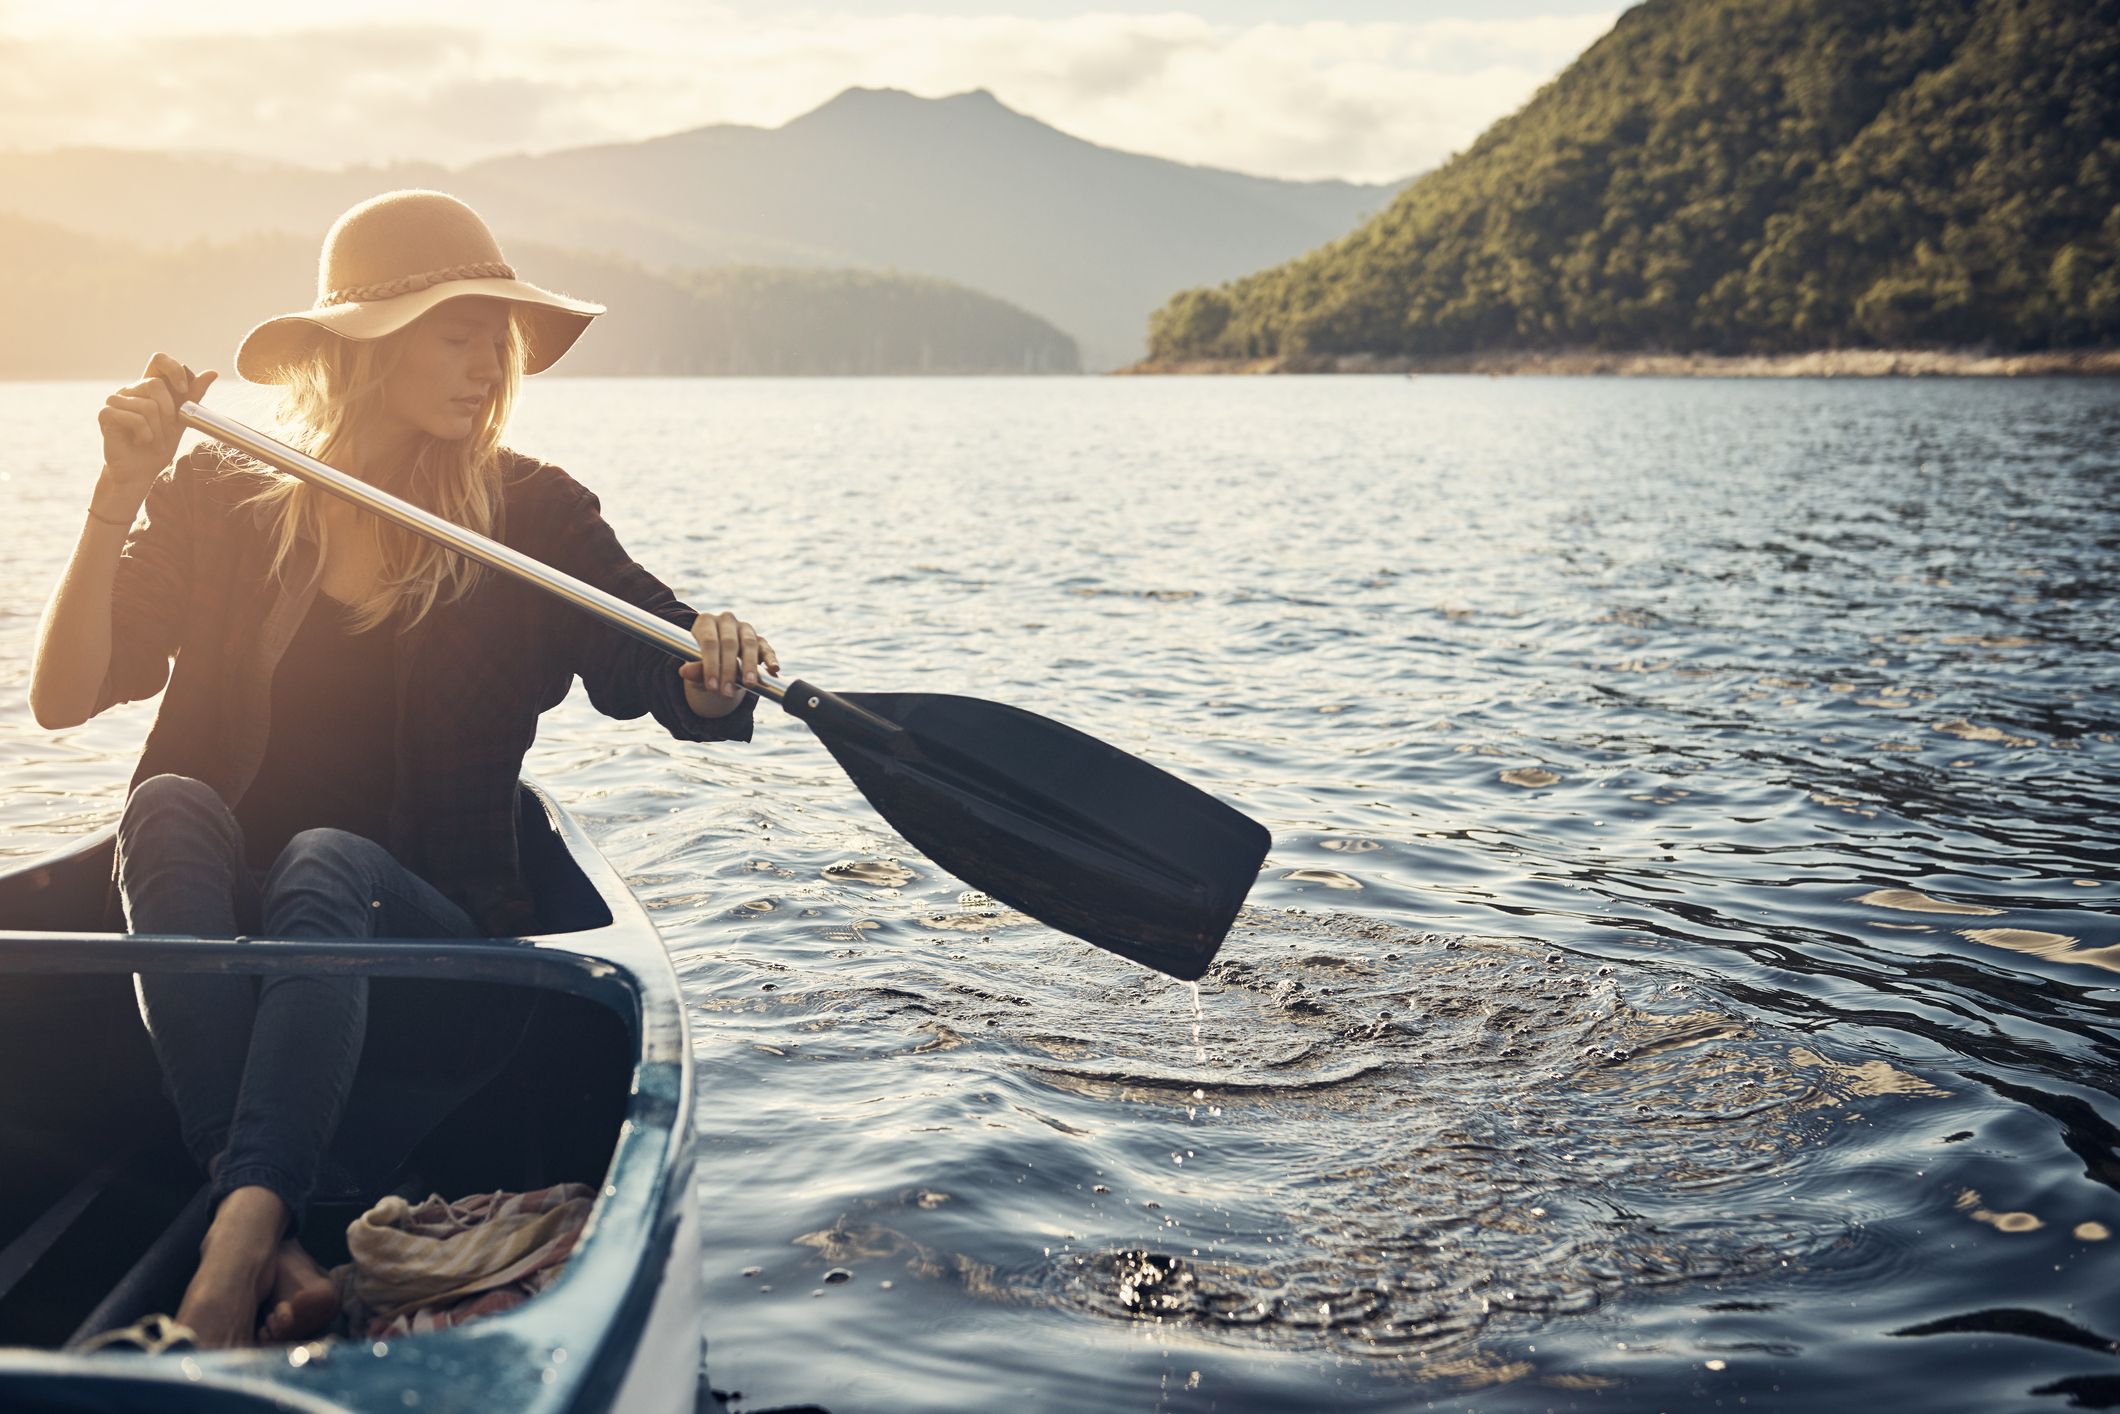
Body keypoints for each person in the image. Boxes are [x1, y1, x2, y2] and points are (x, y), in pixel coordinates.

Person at [26, 190, 776, 1349]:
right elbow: (63, 696)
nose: (491, 362)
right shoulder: (222, 495)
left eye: (499, 335)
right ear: (362, 346)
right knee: (167, 806)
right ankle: (268, 1224)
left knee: (328, 862)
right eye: (456, 331)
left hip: (440, 985)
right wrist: (117, 490)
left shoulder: (529, 512)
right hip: (226, 987)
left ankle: (228, 1270)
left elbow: (658, 664)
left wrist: (713, 667)